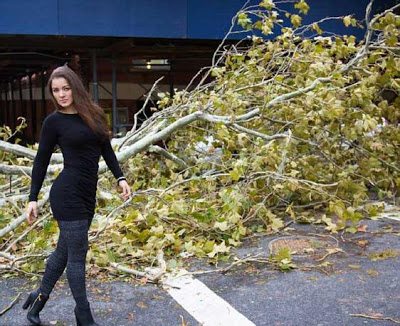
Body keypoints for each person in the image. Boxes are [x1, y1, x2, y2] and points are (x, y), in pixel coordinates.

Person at [23, 65, 131, 326]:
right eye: (56, 90)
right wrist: (32, 197)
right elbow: (40, 161)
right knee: (77, 255)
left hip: (86, 194)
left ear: (75, 87)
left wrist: (121, 177)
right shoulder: (53, 122)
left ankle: (37, 302)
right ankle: (83, 314)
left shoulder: (93, 114)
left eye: (66, 88)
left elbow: (107, 149)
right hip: (66, 194)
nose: (61, 94)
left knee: (63, 252)